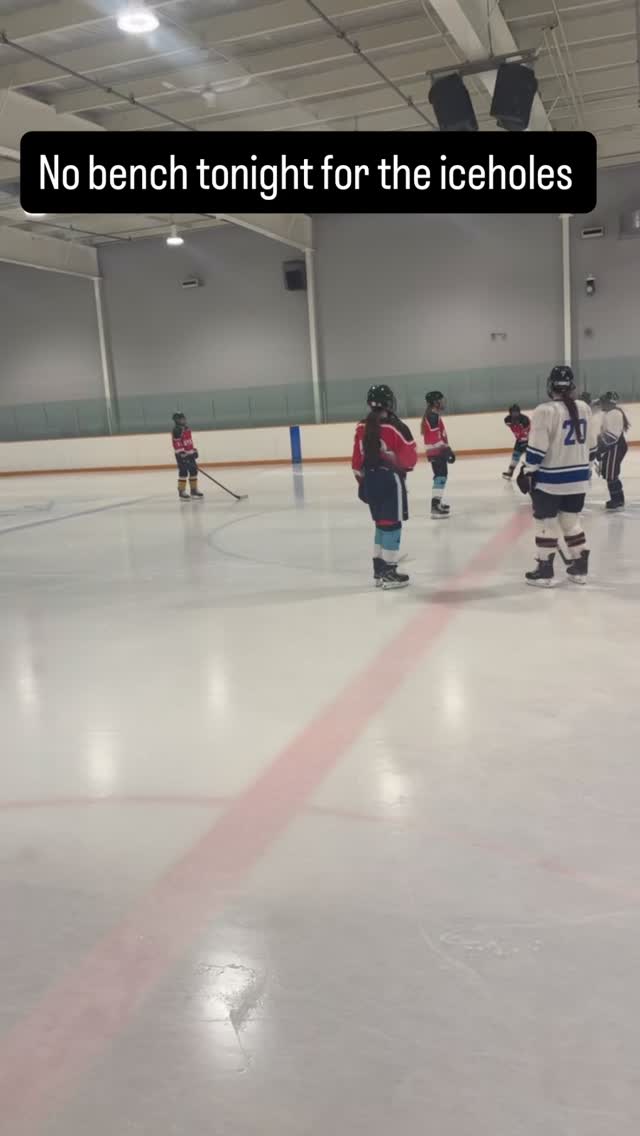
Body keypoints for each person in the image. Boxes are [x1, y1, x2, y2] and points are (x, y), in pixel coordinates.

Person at [518, 365, 596, 587]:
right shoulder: (584, 408)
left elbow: (536, 450)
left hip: (551, 481)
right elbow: (592, 448)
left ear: (550, 386)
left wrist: (527, 471)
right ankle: (580, 568)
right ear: (572, 386)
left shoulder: (544, 410)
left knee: (546, 523)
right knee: (571, 522)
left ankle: (545, 572)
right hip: (579, 479)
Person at [352, 384, 417, 589]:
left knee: (380, 525)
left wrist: (364, 484)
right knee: (392, 525)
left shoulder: (361, 427)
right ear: (389, 403)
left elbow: (356, 463)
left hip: (370, 481)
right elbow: (409, 460)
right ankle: (389, 572)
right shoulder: (397, 427)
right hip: (390, 482)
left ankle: (379, 571)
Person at [421, 390, 455, 518]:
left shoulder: (433, 415)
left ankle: (437, 502)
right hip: (436, 452)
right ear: (435, 402)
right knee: (440, 476)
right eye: (440, 400)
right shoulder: (432, 416)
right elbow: (434, 438)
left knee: (441, 476)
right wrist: (446, 450)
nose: (442, 402)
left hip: (436, 451)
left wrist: (446, 448)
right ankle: (435, 505)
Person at [597, 391, 630, 510]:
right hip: (614, 446)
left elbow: (612, 437)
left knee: (611, 474)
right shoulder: (611, 412)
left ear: (609, 403)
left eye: (603, 401)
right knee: (610, 473)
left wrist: (599, 449)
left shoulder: (614, 414)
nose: (601, 404)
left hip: (614, 447)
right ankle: (618, 499)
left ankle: (617, 500)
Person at [171, 412, 203, 501]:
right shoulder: (177, 430)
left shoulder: (187, 428)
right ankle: (181, 491)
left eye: (184, 418)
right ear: (177, 420)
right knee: (183, 472)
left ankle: (194, 490)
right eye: (181, 419)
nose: (183, 420)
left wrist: (193, 450)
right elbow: (177, 443)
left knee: (193, 471)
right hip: (181, 456)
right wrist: (182, 453)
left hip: (190, 454)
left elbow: (189, 441)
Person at [502, 404, 531, 481]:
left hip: (529, 440)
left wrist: (525, 440)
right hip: (519, 440)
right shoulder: (507, 419)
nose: (515, 414)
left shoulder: (525, 420)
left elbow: (526, 432)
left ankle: (531, 472)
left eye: (516, 412)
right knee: (515, 456)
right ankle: (510, 472)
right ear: (510, 413)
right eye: (513, 412)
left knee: (530, 457)